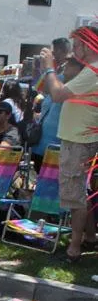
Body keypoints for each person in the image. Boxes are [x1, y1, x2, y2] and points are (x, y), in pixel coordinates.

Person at [40, 25, 98, 262]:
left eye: (77, 45)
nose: (73, 50)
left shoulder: (93, 71)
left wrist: (49, 68)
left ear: (88, 45)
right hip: (81, 140)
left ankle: (74, 249)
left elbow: (57, 95)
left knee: (75, 198)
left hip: (78, 141)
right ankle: (90, 237)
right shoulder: (91, 70)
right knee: (81, 194)